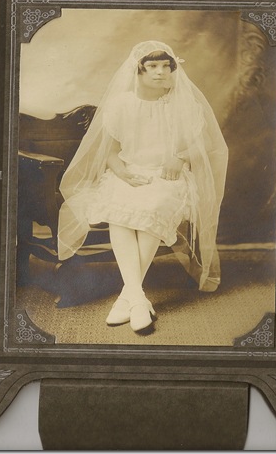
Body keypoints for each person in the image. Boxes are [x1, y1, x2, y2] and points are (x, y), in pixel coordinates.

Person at [58, 40, 228, 333]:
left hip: (168, 177)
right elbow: (111, 153)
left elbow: (206, 145)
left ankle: (128, 298)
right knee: (119, 208)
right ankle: (138, 300)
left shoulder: (183, 104)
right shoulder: (121, 105)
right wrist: (122, 172)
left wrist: (180, 158)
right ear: (138, 70)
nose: (161, 72)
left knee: (153, 205)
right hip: (129, 173)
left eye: (166, 66)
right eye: (152, 66)